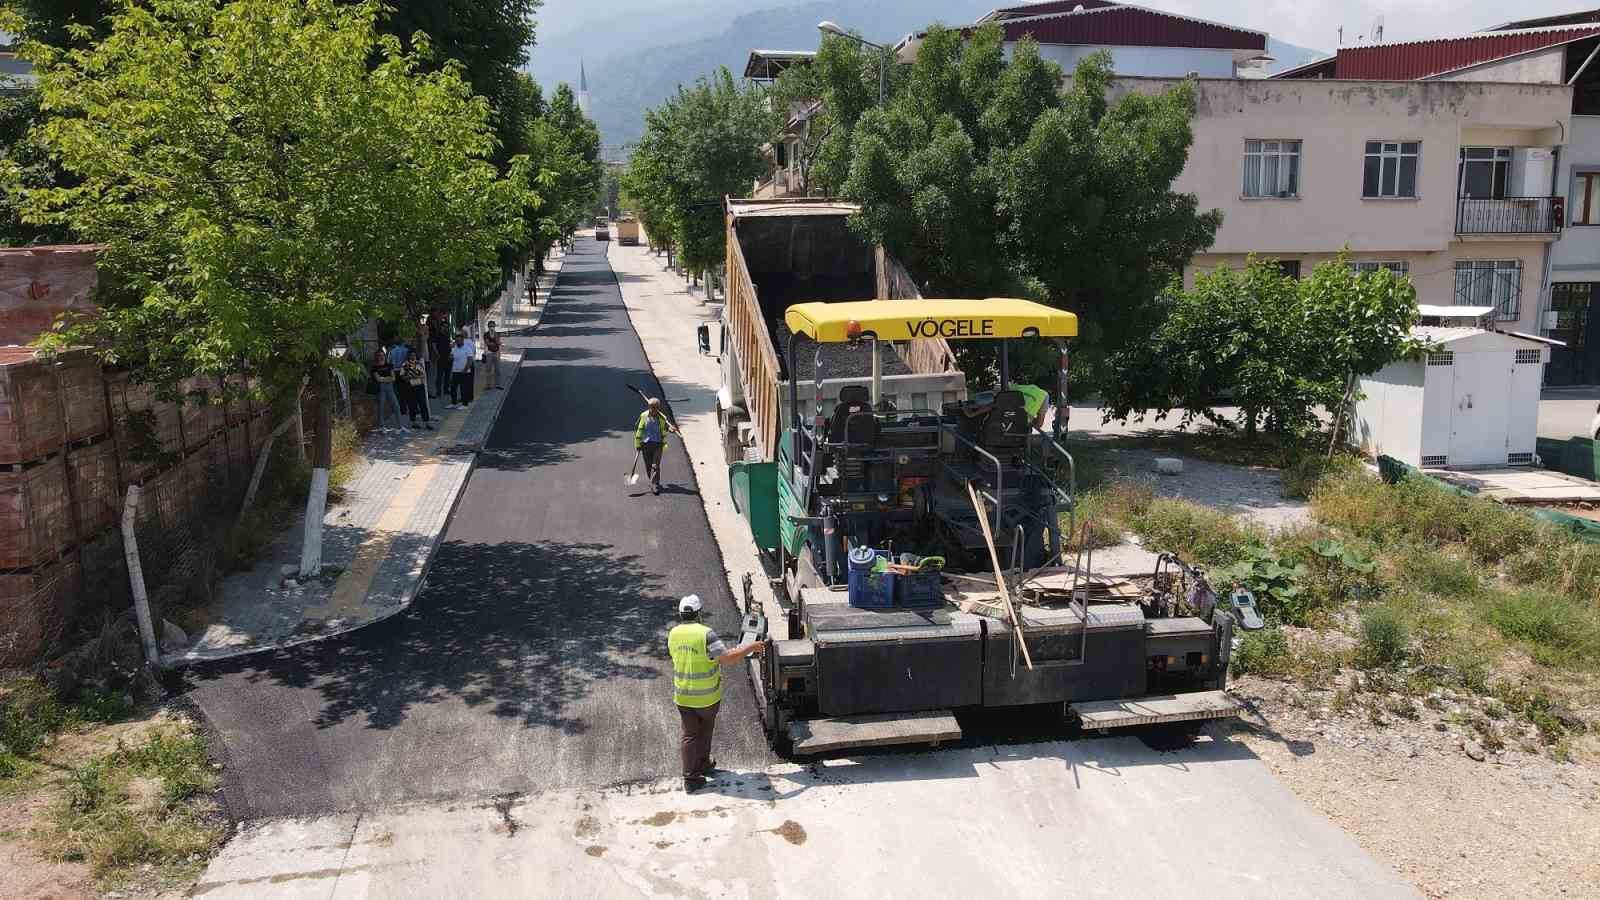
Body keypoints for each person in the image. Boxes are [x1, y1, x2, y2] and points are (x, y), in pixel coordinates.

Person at [669, 594, 765, 792]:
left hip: (683, 696)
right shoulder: (706, 634)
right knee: (705, 731)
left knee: (689, 735)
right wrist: (751, 646)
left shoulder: (673, 633)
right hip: (706, 697)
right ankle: (703, 763)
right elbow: (727, 658)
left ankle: (690, 778)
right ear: (698, 613)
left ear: (681, 614)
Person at [634, 397, 679, 495]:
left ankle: (655, 484)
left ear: (658, 408)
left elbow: (666, 427)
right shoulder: (644, 416)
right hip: (645, 444)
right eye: (651, 407)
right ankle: (652, 480)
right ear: (649, 407)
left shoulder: (662, 418)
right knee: (648, 465)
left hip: (658, 444)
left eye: (655, 407)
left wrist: (671, 429)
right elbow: (639, 430)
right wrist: (637, 444)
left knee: (655, 465)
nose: (653, 409)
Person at [400, 349, 432, 430]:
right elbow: (402, 376)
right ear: (408, 356)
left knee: (423, 405)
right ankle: (414, 422)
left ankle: (427, 422)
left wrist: (414, 375)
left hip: (419, 386)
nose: (413, 356)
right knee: (412, 405)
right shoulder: (405, 364)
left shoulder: (419, 363)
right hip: (410, 387)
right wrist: (410, 376)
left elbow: (423, 374)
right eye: (411, 355)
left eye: (414, 355)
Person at [373, 354, 404, 432]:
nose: (381, 357)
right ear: (377, 357)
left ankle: (400, 426)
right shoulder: (375, 367)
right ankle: (382, 426)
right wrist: (387, 378)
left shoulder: (389, 365)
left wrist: (384, 378)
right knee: (381, 407)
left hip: (390, 387)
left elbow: (393, 378)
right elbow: (378, 379)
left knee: (396, 406)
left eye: (383, 355)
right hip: (381, 388)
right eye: (380, 356)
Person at [429, 313, 452, 400]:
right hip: (440, 357)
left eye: (446, 327)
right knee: (439, 375)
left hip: (448, 357)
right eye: (444, 327)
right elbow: (434, 345)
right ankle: (438, 391)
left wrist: (450, 352)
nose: (445, 328)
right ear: (441, 327)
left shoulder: (447, 335)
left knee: (447, 374)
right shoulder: (437, 335)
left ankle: (446, 389)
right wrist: (437, 354)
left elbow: (449, 345)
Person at [449, 331, 474, 409]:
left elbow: (470, 360)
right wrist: (451, 350)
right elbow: (451, 358)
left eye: (459, 340)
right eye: (457, 341)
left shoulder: (467, 349)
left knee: (463, 388)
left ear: (463, 340)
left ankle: (464, 404)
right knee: (453, 388)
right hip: (455, 371)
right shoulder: (454, 348)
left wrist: (465, 369)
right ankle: (454, 403)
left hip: (464, 371)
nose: (458, 342)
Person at [482, 322, 503, 390]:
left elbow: (498, 342)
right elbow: (488, 343)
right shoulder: (486, 334)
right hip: (489, 353)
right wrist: (496, 343)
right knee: (488, 370)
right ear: (488, 327)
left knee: (497, 370)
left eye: (493, 326)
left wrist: (496, 343)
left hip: (496, 353)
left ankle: (498, 384)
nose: (492, 327)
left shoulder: (497, 334)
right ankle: (488, 385)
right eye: (490, 326)